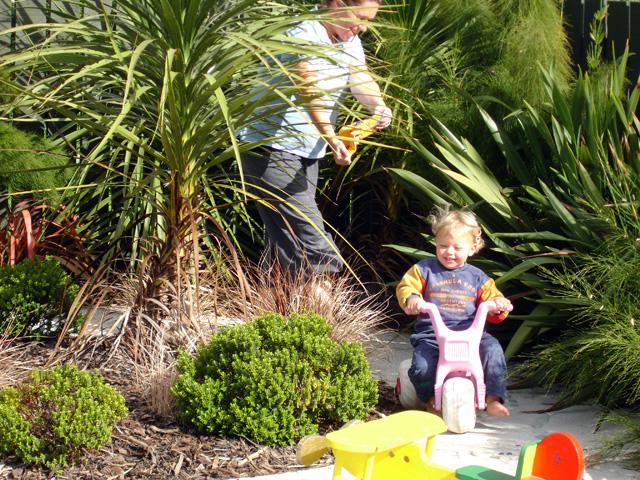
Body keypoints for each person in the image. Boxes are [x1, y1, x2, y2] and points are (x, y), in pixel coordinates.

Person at [237, 0, 392, 276]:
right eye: (360, 18)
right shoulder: (302, 29)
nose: (363, 28)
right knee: (314, 244)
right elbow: (310, 89)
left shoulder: (348, 38)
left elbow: (359, 77)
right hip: (270, 146)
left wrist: (378, 106)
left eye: (369, 21)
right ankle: (323, 310)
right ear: (337, 3)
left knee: (285, 236)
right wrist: (332, 138)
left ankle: (279, 308)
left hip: (308, 149)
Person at [396, 207, 512, 416]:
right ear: (436, 243)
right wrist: (413, 299)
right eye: (443, 246)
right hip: (432, 335)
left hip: (471, 336)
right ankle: (430, 398)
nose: (449, 252)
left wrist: (498, 305)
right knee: (422, 367)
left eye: (457, 247)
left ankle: (493, 398)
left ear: (472, 248)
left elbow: (493, 299)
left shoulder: (478, 278)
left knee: (493, 351)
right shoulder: (424, 270)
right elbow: (406, 287)